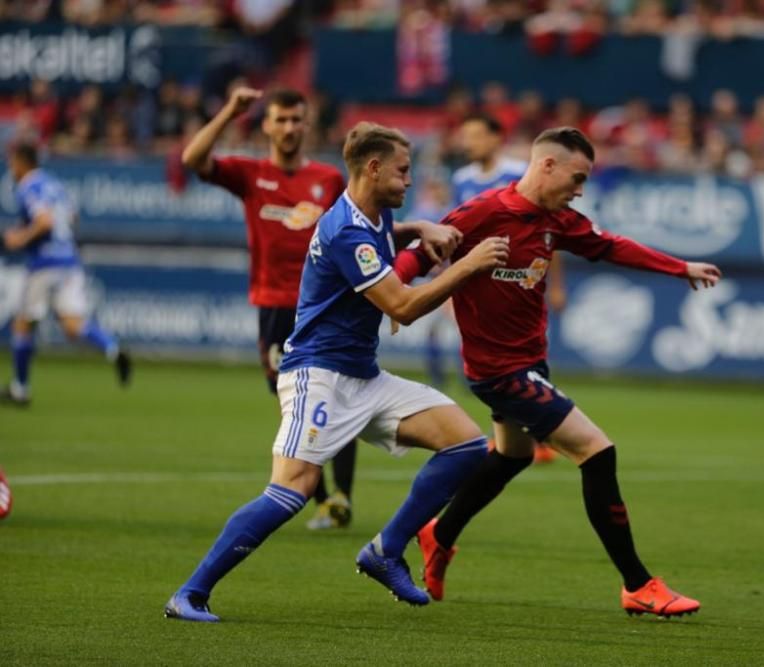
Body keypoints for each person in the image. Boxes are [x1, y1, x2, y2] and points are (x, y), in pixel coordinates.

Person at [164, 122, 510, 622]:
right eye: (402, 171)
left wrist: (419, 228)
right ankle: (190, 594)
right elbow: (403, 307)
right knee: (291, 491)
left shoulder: (371, 215)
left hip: (363, 377)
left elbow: (386, 239)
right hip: (317, 375)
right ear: (373, 168)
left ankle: (386, 550)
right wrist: (469, 265)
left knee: (466, 444)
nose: (409, 181)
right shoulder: (348, 230)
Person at [394, 127, 721, 618]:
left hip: (529, 363)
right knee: (596, 450)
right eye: (577, 177)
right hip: (497, 371)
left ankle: (438, 534)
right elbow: (416, 258)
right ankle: (638, 583)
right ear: (547, 165)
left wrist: (680, 267)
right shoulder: (481, 213)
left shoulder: (558, 220)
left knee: (512, 456)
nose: (581, 189)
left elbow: (612, 247)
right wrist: (392, 295)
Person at [181, 86, 354, 530]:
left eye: (297, 120)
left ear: (307, 124)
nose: (290, 128)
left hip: (326, 304)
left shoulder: (329, 179)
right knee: (293, 403)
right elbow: (192, 160)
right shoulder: (250, 174)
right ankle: (322, 498)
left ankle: (340, 497)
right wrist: (229, 110)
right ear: (267, 124)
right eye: (281, 120)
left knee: (340, 393)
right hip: (275, 306)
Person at [454, 112, 566, 463]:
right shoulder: (461, 179)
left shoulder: (520, 173)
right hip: (480, 283)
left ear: (495, 138)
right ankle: (514, 434)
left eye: (475, 135)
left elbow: (549, 234)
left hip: (519, 279)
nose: (468, 143)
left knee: (525, 351)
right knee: (487, 358)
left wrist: (557, 283)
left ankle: (542, 432)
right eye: (465, 136)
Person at [1, 141, 130, 406]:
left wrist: (21, 238)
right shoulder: (54, 184)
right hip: (68, 260)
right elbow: (72, 218)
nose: (11, 168)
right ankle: (112, 348)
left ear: (23, 162)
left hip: (44, 264)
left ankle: (20, 388)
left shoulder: (28, 186)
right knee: (73, 324)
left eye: (12, 162)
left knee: (23, 325)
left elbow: (45, 221)